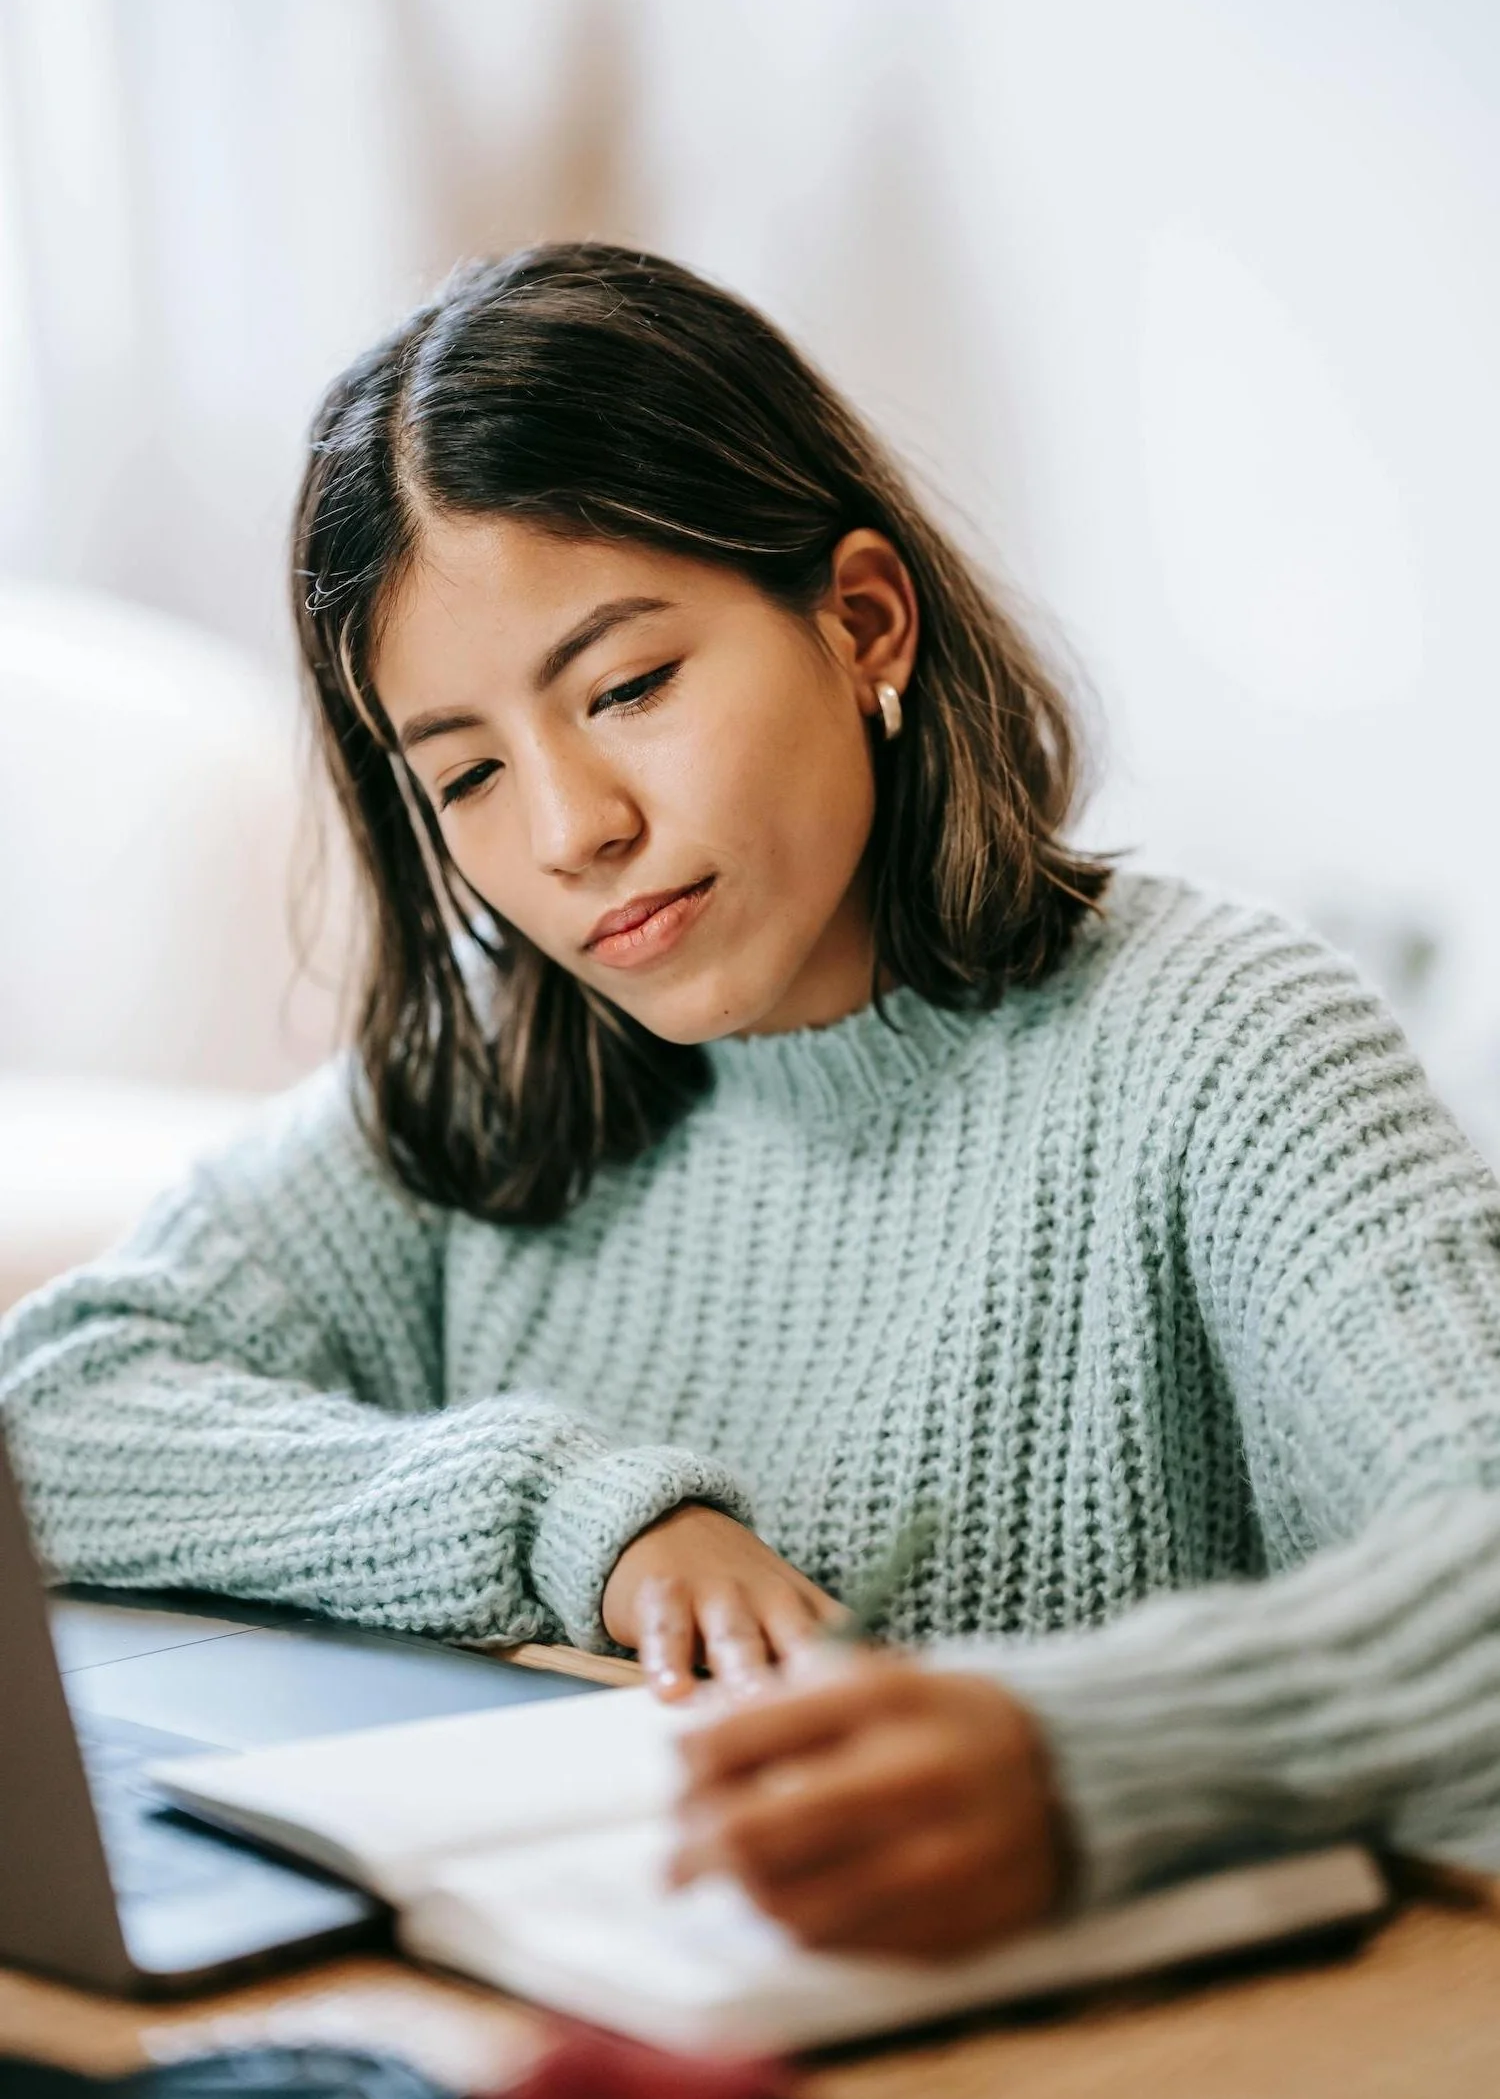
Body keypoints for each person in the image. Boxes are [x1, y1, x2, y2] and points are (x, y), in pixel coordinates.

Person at [4, 244, 1500, 1960]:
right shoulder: (490, 1085)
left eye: (629, 686)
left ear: (862, 618)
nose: (571, 828)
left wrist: (1082, 1750)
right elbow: (50, 1413)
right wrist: (581, 1516)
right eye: (470, 772)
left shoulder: (1222, 1041)